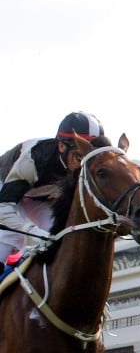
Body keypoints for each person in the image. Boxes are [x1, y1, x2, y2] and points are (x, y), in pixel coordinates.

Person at [0, 112, 106, 264]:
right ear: (62, 146)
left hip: (38, 195)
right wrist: (29, 230)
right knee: (10, 235)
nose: (84, 167)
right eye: (79, 157)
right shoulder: (34, 159)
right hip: (5, 187)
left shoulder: (82, 169)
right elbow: (2, 207)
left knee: (56, 235)